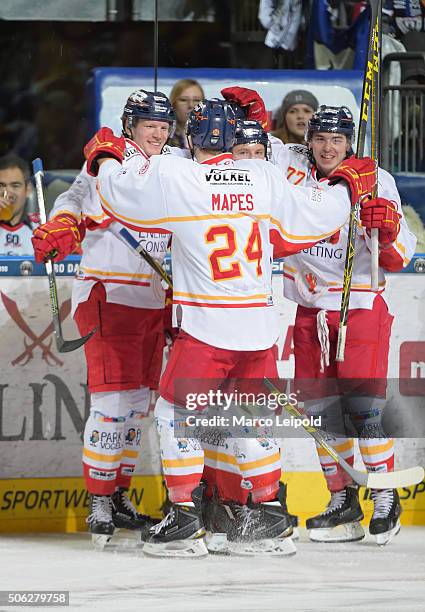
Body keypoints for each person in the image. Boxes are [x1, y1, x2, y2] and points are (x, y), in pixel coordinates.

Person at [84, 97, 377, 557]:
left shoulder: (176, 177)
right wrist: (345, 184)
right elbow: (315, 220)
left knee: (172, 415)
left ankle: (183, 518)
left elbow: (118, 199)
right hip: (260, 326)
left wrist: (104, 159)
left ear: (188, 140)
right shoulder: (263, 176)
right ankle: (269, 517)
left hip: (208, 325)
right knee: (250, 418)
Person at [31, 89, 179, 547]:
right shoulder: (108, 157)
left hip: (155, 299)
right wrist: (63, 225)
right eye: (149, 123)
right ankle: (97, 498)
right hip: (107, 294)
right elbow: (73, 202)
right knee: (113, 403)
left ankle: (118, 493)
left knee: (139, 404)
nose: (158, 132)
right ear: (130, 124)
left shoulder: (176, 163)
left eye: (164, 124)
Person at [274, 105, 417, 545]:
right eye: (320, 138)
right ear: (308, 140)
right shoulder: (293, 166)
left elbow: (403, 255)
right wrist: (253, 119)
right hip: (309, 308)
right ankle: (341, 497)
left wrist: (388, 229)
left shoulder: (375, 177)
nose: (328, 147)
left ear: (349, 141)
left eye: (337, 139)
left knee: (361, 404)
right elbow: (256, 154)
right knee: (317, 410)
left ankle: (385, 493)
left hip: (359, 304)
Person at [0, 154, 36, 255]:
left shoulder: (42, 229)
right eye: (1, 186)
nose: (7, 192)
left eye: (15, 186)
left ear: (28, 189)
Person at [168, 78, 205, 149]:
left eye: (196, 100)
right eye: (183, 100)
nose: (191, 105)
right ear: (173, 104)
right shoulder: (163, 138)